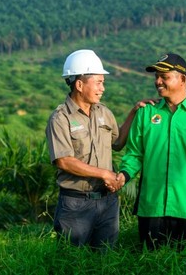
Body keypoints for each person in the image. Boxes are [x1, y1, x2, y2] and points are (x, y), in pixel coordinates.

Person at [116, 53, 186, 250]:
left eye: (164, 77)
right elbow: (134, 154)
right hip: (151, 207)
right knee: (150, 264)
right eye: (156, 76)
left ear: (182, 79)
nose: (158, 81)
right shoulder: (146, 113)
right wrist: (123, 175)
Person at [46, 49, 153, 249]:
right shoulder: (61, 118)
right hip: (76, 204)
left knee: (105, 260)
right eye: (99, 82)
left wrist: (134, 112)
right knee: (73, 262)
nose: (102, 88)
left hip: (107, 202)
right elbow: (64, 160)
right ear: (79, 84)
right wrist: (104, 173)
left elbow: (118, 142)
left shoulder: (104, 112)